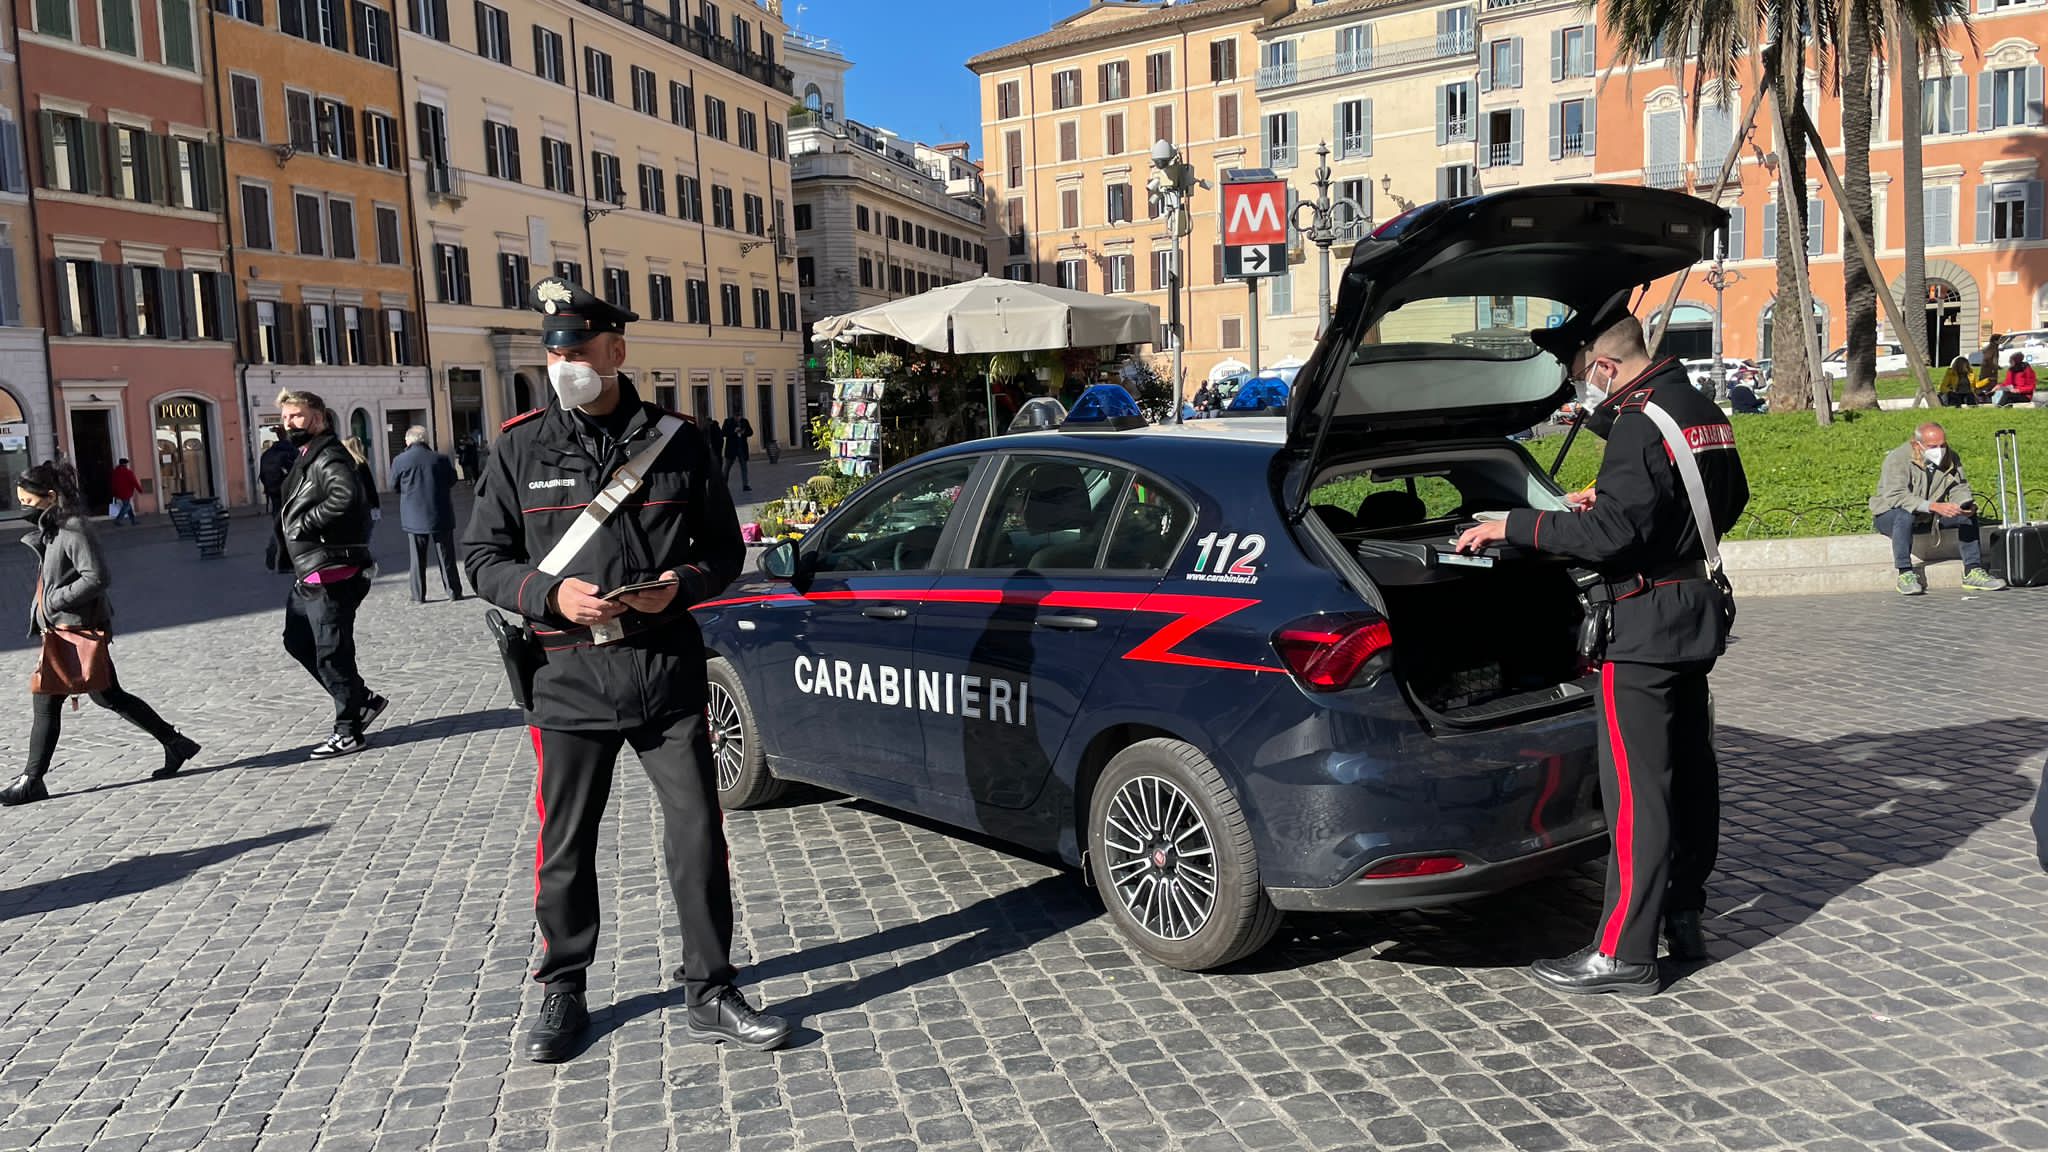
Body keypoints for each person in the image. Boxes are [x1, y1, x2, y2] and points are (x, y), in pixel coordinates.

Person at [464, 276, 786, 1063]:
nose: (564, 361)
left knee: (699, 835)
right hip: (566, 678)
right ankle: (563, 990)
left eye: (578, 348)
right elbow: (481, 557)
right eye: (554, 349)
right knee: (565, 844)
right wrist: (546, 592)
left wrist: (681, 586)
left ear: (616, 351)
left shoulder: (680, 441)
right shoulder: (517, 446)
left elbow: (723, 552)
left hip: (665, 671)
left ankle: (710, 988)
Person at [1455, 307, 1749, 997]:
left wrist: (1514, 526)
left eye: (1588, 376)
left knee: (1638, 794)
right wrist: (1622, 506)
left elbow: (1612, 537)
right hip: (1691, 607)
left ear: (1608, 367)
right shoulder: (1698, 408)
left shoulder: (1639, 423)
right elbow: (1724, 499)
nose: (1588, 389)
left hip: (1642, 625)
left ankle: (1622, 954)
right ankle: (1683, 916)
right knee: (1690, 775)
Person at [1, 464, 200, 805]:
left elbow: (96, 576)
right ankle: (175, 742)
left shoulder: (72, 528)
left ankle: (32, 779)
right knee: (108, 696)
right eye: (19, 500)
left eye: (28, 500)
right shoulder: (52, 527)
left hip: (76, 628)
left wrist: (53, 601)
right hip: (62, 628)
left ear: (50, 497)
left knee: (47, 699)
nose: (24, 507)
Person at [276, 390, 387, 760]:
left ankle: (349, 730)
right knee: (298, 640)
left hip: (331, 571)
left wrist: (305, 525)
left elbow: (345, 496)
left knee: (332, 651)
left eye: (298, 416)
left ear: (319, 418)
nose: (290, 423)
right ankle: (363, 700)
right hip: (310, 571)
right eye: (287, 417)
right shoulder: (308, 456)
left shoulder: (329, 455)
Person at [1869, 423, 2009, 596]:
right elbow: (1896, 496)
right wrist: (1933, 506)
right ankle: (1905, 573)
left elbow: (1959, 486)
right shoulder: (1897, 459)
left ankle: (1973, 570)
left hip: (1928, 516)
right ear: (1916, 444)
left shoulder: (1950, 457)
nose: (1939, 450)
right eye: (1932, 446)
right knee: (1904, 515)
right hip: (1891, 514)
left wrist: (1964, 504)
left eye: (1942, 445)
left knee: (1966, 517)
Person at [389, 426, 464, 603]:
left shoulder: (400, 460)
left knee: (417, 558)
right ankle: (453, 591)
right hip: (440, 512)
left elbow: (393, 486)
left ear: (409, 440)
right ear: (426, 440)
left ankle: (418, 595)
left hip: (413, 515)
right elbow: (452, 480)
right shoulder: (441, 459)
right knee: (446, 555)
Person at [260, 433, 298, 573]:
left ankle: (274, 547)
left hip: (274, 494)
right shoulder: (292, 452)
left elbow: (262, 476)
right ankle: (285, 563)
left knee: (279, 524)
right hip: (290, 495)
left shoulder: (268, 454)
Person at [344, 437, 382, 524]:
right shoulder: (361, 464)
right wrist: (376, 506)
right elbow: (370, 486)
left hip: (348, 506)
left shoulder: (343, 463)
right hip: (363, 506)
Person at [722, 413, 754, 491]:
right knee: (727, 467)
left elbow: (750, 432)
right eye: (736, 416)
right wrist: (734, 431)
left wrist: (744, 433)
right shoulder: (728, 421)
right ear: (733, 416)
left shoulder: (745, 421)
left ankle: (745, 485)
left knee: (744, 467)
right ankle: (723, 484)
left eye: (739, 416)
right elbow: (723, 433)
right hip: (731, 448)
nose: (738, 418)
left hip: (742, 448)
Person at [108, 459, 138, 524]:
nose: (127, 465)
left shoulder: (115, 472)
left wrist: (114, 493)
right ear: (124, 464)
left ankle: (133, 520)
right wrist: (140, 490)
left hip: (119, 492)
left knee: (128, 505)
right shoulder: (128, 472)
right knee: (126, 506)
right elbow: (134, 482)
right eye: (126, 464)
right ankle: (118, 520)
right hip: (126, 492)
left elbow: (113, 483)